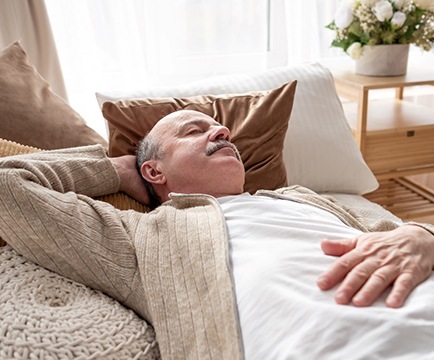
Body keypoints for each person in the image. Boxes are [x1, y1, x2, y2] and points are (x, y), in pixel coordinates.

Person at [0, 109, 434, 360]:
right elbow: (8, 188)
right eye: (194, 131)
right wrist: (117, 168)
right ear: (154, 170)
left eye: (219, 129)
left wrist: (420, 234)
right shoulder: (142, 237)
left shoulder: (302, 198)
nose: (222, 132)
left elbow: (397, 234)